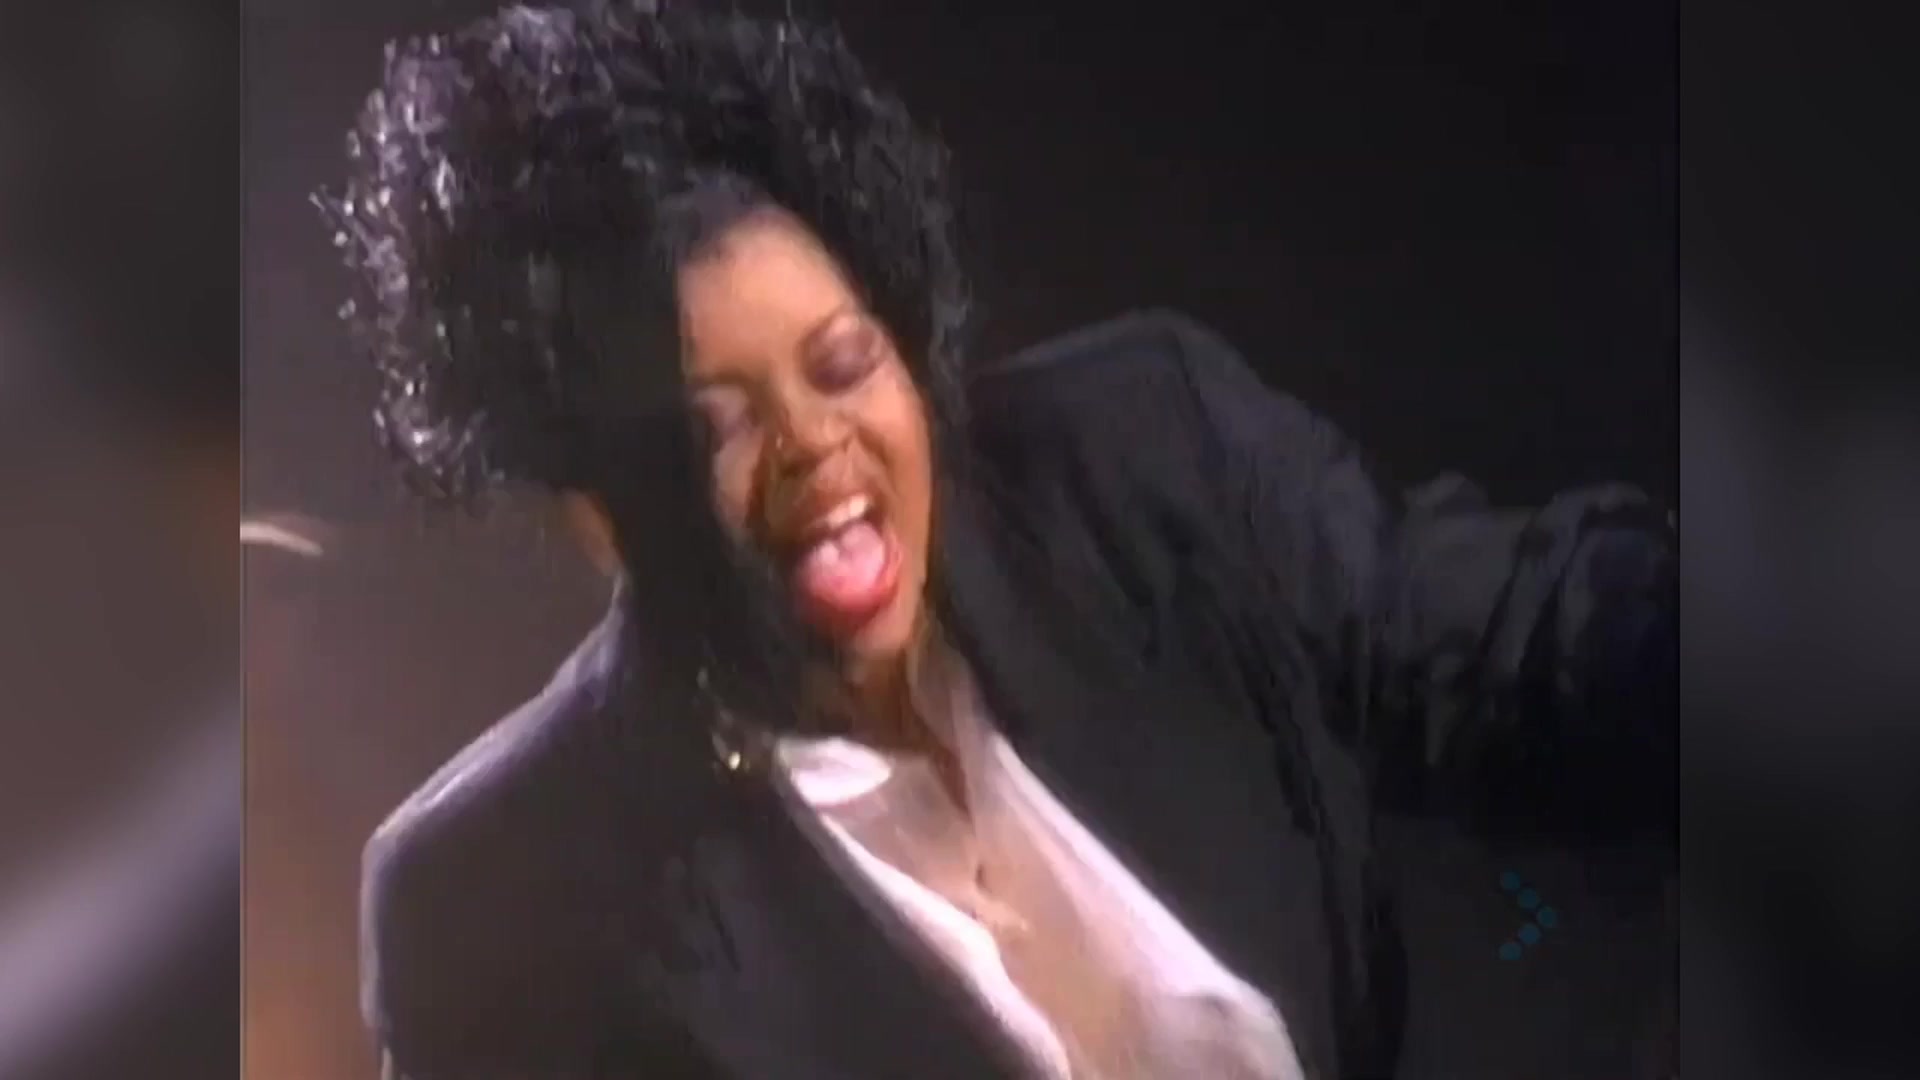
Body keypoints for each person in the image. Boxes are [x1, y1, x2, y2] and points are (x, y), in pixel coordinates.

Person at [324, 4, 1675, 1078]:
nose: (814, 446)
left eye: (843, 362)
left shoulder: (1141, 460)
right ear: (599, 514)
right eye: (715, 427)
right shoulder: (493, 907)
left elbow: (1514, 639)